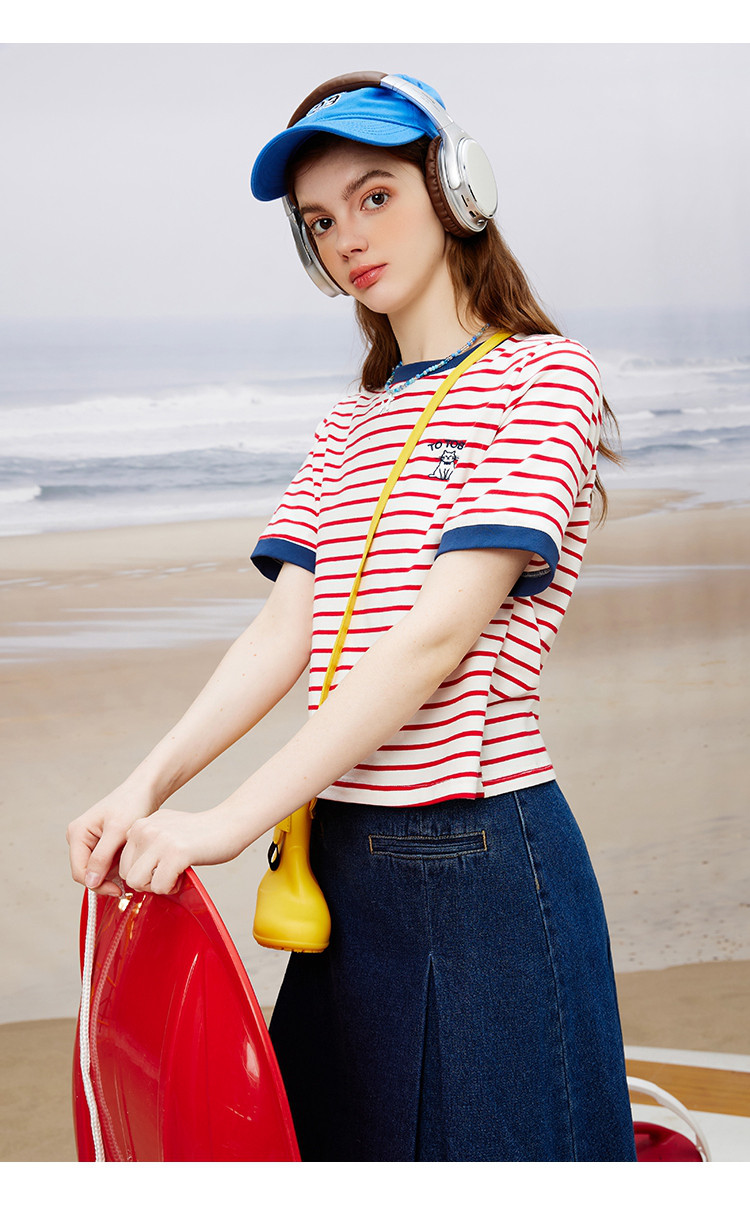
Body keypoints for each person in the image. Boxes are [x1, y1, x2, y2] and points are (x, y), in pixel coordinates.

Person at [66, 71, 637, 1162]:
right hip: (340, 865)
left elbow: (435, 638)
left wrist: (228, 821)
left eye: (375, 196)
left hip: (480, 854)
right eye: (321, 221)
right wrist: (144, 787)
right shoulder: (347, 427)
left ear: (455, 190)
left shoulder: (545, 377)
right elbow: (283, 633)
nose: (348, 239)